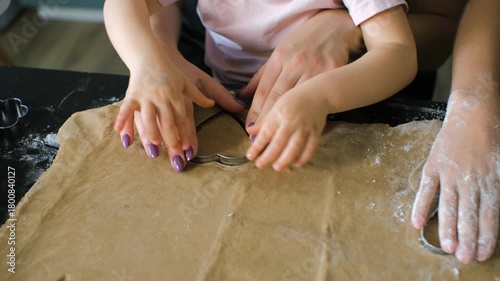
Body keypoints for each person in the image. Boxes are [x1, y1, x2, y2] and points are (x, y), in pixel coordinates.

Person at [104, 0, 417, 173]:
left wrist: (320, 96)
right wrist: (148, 64)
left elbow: (397, 52)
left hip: (337, 100)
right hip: (225, 92)